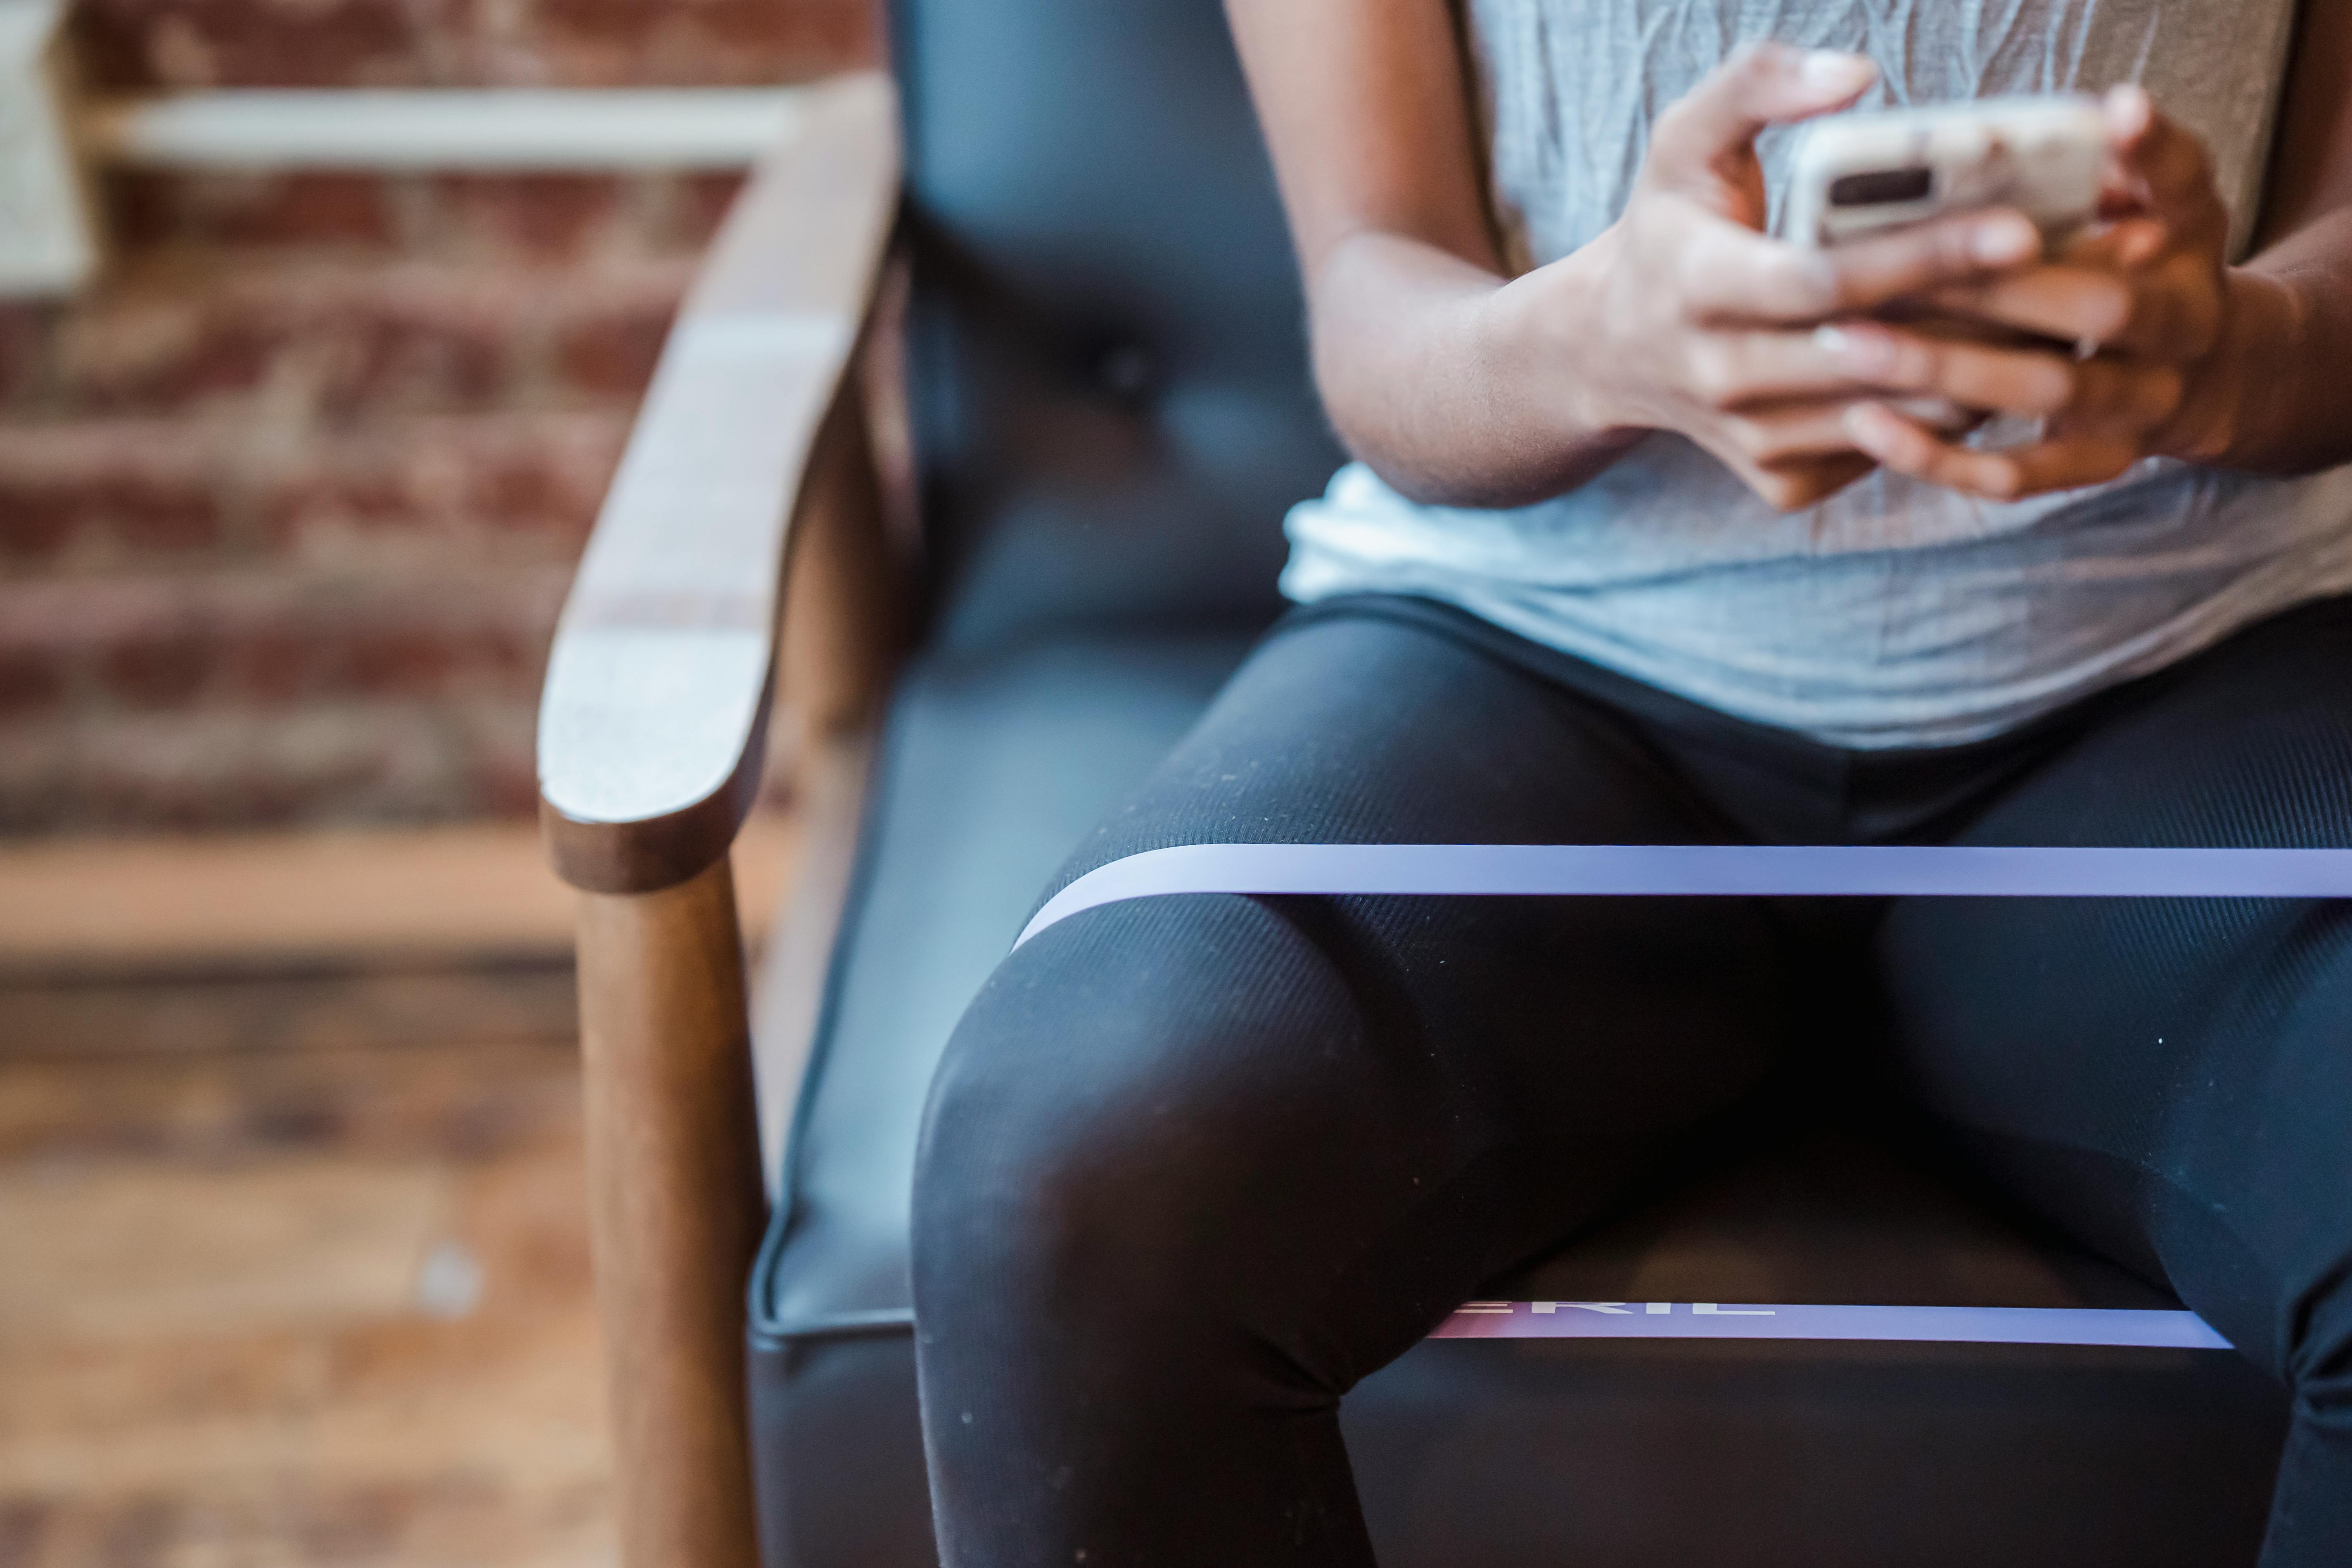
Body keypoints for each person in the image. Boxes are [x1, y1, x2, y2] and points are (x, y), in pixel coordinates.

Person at [908, 2, 2352, 1563]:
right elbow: (1377, 298)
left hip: (2190, 664)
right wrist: (1588, 342)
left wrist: (2231, 353)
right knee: (1074, 1182)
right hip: (1528, 666)